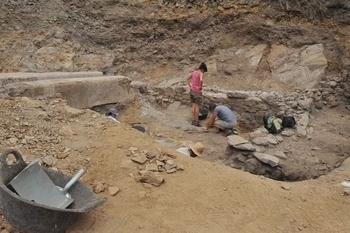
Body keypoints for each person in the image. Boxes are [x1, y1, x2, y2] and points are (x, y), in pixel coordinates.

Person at [186, 62, 208, 127]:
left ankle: (193, 120)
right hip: (197, 92)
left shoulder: (194, 72)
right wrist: (200, 87)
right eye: (204, 72)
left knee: (193, 106)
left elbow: (187, 78)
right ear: (203, 69)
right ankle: (197, 121)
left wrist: (190, 85)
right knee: (197, 107)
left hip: (192, 91)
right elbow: (201, 80)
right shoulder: (200, 73)